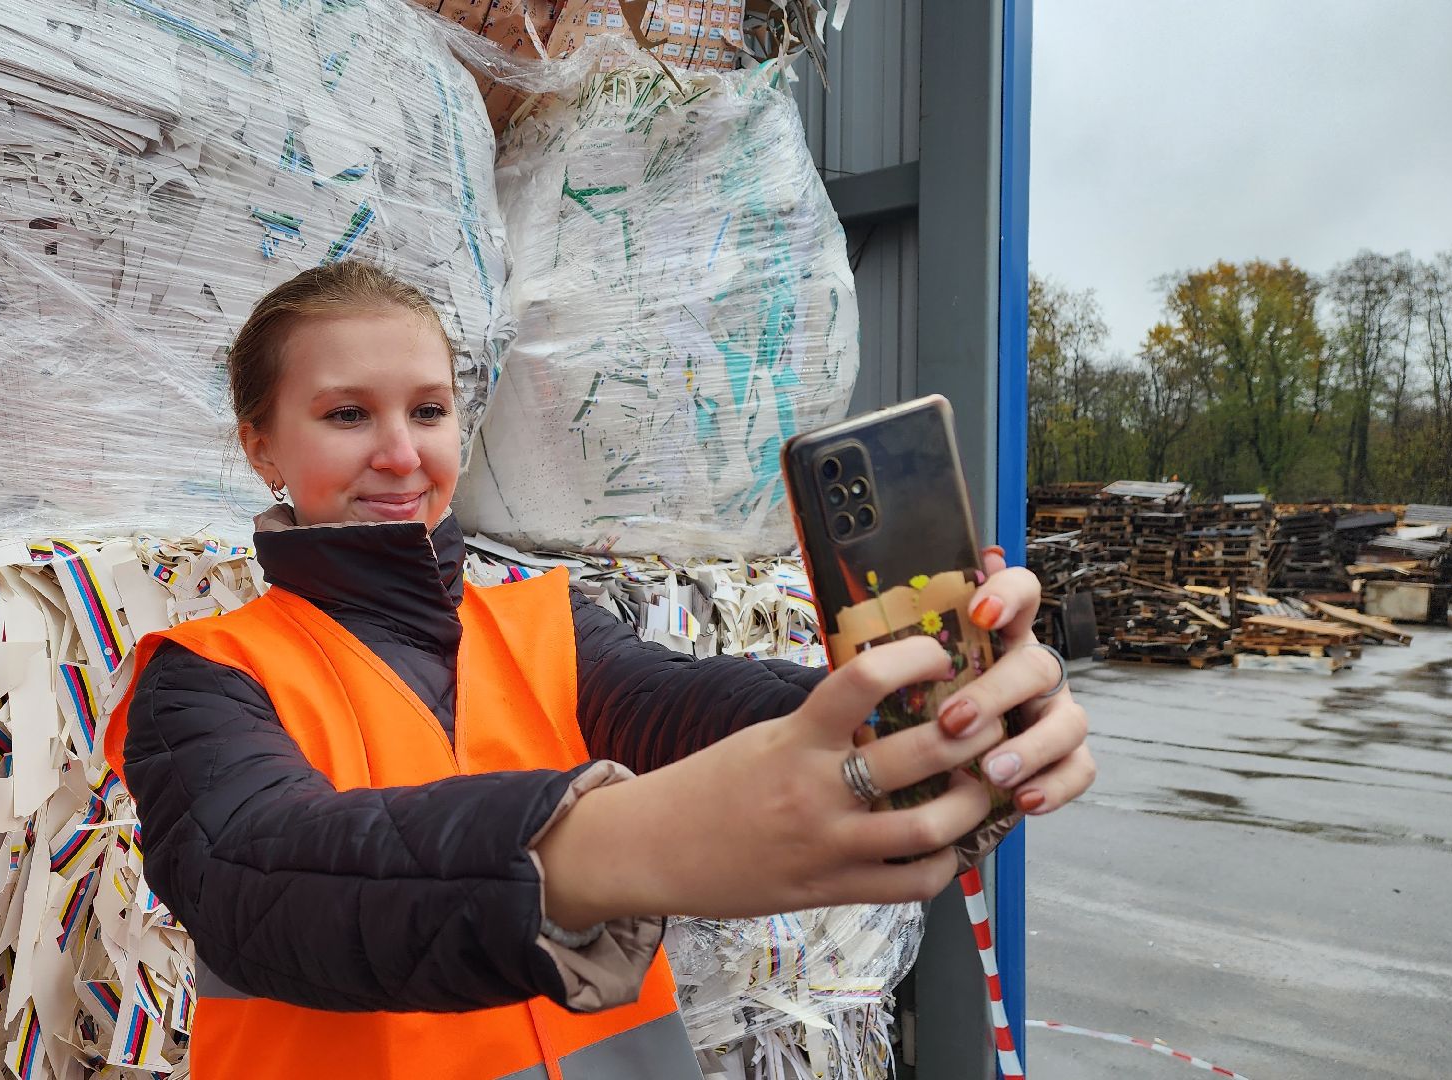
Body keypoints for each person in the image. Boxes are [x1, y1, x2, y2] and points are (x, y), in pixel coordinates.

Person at [103, 261, 1096, 1080]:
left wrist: (928, 716)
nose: (402, 454)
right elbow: (259, 874)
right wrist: (604, 851)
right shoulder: (201, 677)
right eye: (348, 416)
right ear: (261, 445)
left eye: (431, 410)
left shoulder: (547, 624)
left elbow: (688, 706)